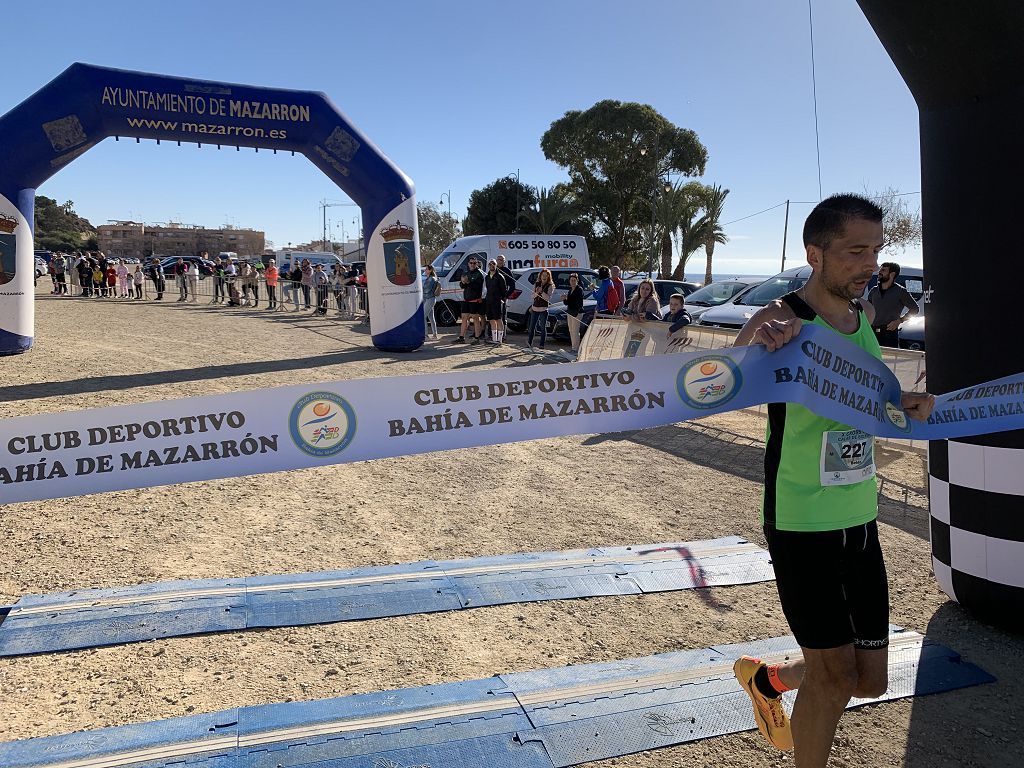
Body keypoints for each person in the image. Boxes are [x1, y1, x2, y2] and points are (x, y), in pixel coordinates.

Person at [731, 194, 935, 767]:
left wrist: (905, 404)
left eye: (876, 249)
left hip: (859, 517)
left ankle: (768, 680)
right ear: (815, 253)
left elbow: (871, 402)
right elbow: (720, 383)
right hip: (801, 517)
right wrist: (761, 347)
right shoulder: (779, 317)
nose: (870, 263)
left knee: (866, 679)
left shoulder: (861, 317)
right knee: (833, 678)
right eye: (855, 250)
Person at [866, 261, 919, 348]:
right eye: (880, 270)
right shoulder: (874, 291)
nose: (879, 272)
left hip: (889, 335)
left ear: (892, 274)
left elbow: (915, 309)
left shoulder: (901, 291)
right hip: (872, 333)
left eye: (883, 270)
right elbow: (868, 310)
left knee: (888, 361)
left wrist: (899, 321)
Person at [455, 257, 485, 343]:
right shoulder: (466, 273)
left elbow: (478, 287)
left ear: (477, 264)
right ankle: (461, 337)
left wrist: (468, 282)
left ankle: (477, 338)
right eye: (471, 263)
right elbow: (462, 285)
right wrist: (463, 282)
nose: (472, 265)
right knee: (464, 317)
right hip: (466, 299)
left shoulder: (479, 274)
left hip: (475, 299)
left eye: (474, 263)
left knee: (475, 318)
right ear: (468, 264)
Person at [526, 268, 554, 350]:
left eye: (546, 275)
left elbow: (548, 298)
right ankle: (529, 342)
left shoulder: (550, 286)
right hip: (535, 308)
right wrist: (537, 293)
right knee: (531, 327)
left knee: (542, 327)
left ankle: (541, 345)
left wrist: (542, 292)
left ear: (548, 277)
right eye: (543, 275)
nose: (544, 277)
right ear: (540, 276)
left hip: (543, 309)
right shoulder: (537, 284)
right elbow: (532, 296)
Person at [483, 259, 507, 344]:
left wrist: (502, 299)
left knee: (498, 319)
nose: (491, 265)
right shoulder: (487, 277)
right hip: (489, 300)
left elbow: (504, 290)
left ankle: (500, 339)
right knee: (491, 320)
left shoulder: (500, 276)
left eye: (493, 264)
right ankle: (494, 339)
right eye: (490, 264)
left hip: (497, 301)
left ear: (496, 265)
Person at [563, 272, 585, 353]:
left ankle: (576, 349)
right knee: (571, 330)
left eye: (574, 280)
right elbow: (567, 303)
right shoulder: (570, 290)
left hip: (577, 313)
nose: (572, 282)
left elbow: (579, 303)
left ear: (577, 281)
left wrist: (569, 301)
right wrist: (564, 299)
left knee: (575, 330)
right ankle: (573, 347)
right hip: (570, 312)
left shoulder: (579, 289)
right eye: (571, 280)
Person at [423, 265, 441, 339]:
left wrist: (421, 288)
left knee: (423, 317)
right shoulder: (430, 278)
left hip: (429, 299)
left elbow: (427, 290)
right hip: (430, 299)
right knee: (431, 317)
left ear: (430, 270)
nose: (425, 270)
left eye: (426, 269)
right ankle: (434, 334)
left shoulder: (431, 279)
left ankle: (426, 335)